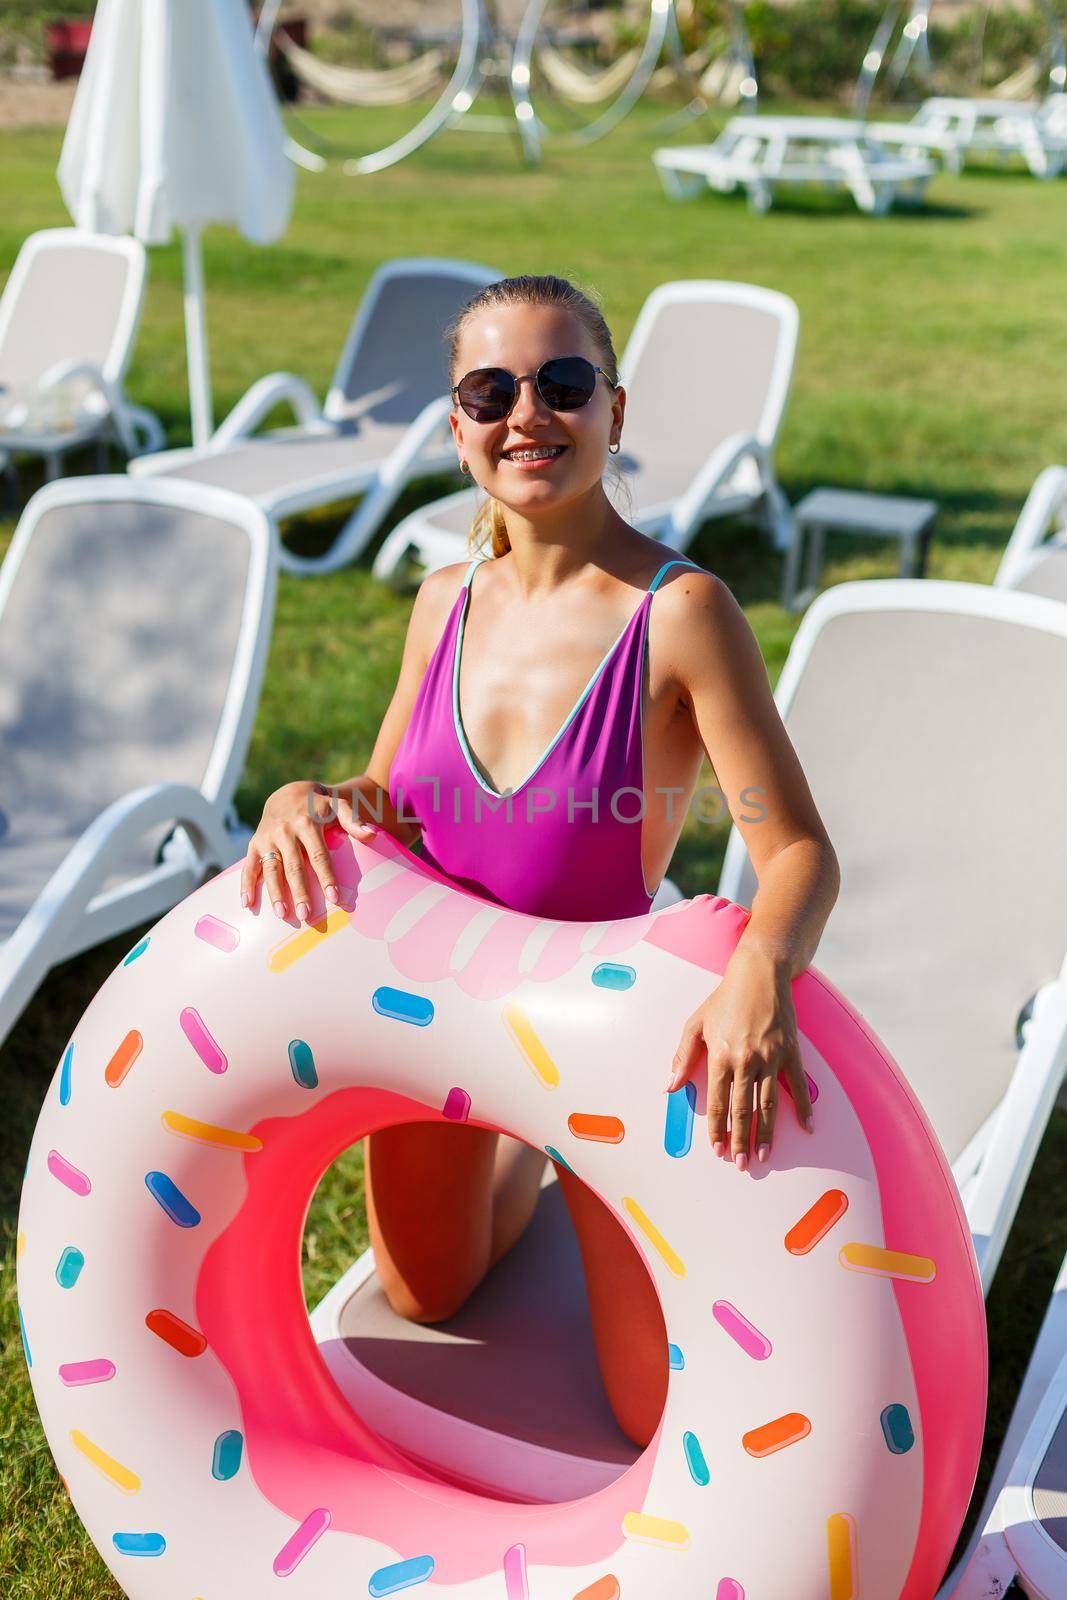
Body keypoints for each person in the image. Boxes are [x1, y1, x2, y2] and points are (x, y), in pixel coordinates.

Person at [239, 273, 840, 1450]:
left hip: (601, 1042)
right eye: (490, 389)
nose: (529, 414)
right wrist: (299, 797)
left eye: (562, 384)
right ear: (458, 425)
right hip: (441, 1012)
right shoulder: (441, 600)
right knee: (425, 1291)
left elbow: (795, 848)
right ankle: (521, 1160)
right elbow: (391, 812)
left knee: (636, 1406)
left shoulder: (679, 613)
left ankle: (563, 1158)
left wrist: (762, 966)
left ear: (613, 410)